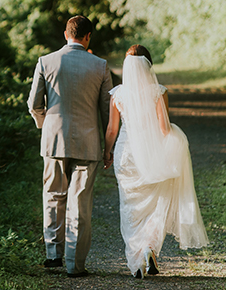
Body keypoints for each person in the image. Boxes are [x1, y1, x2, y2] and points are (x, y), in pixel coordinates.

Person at [103, 45, 209, 279]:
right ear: (149, 66)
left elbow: (112, 129)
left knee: (130, 206)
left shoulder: (118, 94)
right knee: (155, 204)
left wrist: (107, 153)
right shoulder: (158, 92)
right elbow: (163, 128)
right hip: (151, 154)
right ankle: (149, 249)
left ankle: (137, 260)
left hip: (126, 154)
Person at [27, 15, 113, 277]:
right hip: (88, 142)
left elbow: (34, 104)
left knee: (53, 196)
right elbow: (107, 112)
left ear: (66, 34)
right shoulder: (100, 66)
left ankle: (53, 256)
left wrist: (45, 125)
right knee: (80, 202)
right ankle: (75, 264)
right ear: (88, 37)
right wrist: (108, 147)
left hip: (53, 139)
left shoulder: (46, 61)